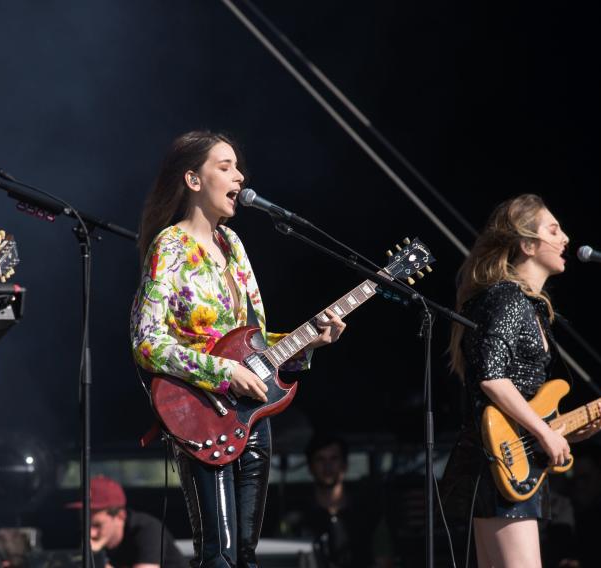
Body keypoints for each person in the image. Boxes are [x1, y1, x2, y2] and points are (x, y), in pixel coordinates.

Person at [130, 131, 346, 567]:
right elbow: (147, 343)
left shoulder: (234, 246)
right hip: (200, 408)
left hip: (250, 416)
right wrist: (224, 373)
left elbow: (255, 341)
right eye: (224, 167)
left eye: (238, 167)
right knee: (219, 553)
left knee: (246, 554)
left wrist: (308, 344)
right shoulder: (170, 247)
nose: (239, 176)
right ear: (193, 180)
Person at [439, 194, 601, 568]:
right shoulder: (506, 297)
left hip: (509, 457)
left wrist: (566, 430)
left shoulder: (529, 306)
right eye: (554, 230)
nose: (565, 238)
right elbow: (492, 379)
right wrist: (546, 434)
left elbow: (524, 402)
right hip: (498, 459)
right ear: (527, 245)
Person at [283, 433, 392, 568]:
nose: (327, 466)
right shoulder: (295, 519)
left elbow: (384, 561)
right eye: (320, 459)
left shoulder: (370, 515)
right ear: (311, 467)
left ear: (344, 465)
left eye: (334, 459)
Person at [68, 476, 186, 568]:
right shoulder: (91, 541)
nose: (90, 533)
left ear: (120, 516)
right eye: (85, 524)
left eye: (97, 525)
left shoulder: (148, 529)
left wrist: (97, 560)